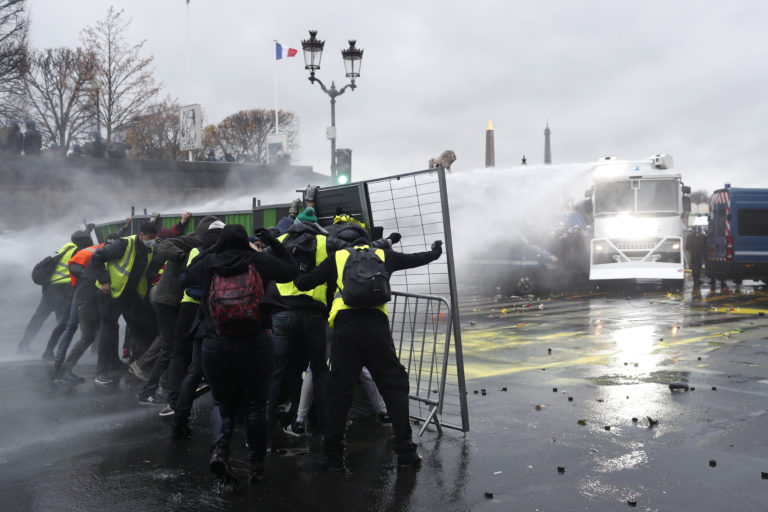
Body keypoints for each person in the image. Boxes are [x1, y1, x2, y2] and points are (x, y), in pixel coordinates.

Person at [294, 233, 443, 471]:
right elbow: (416, 258)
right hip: (377, 328)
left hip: (345, 329)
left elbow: (304, 283)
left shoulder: (338, 257)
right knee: (394, 386)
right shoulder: (384, 255)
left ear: (349, 244)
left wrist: (300, 267)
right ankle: (406, 453)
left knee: (339, 391)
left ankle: (333, 457)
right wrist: (436, 251)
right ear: (368, 243)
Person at [185, 224, 297, 483]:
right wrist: (274, 242)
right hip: (256, 341)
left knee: (222, 403)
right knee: (256, 405)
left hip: (215, 342)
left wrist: (212, 249)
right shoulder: (257, 260)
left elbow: (188, 276)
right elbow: (290, 271)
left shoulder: (209, 263)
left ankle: (220, 450)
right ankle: (256, 464)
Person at [137, 214, 219, 405]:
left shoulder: (204, 242)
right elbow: (164, 245)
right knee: (170, 346)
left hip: (175, 300)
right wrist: (183, 259)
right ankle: (147, 392)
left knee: (176, 346)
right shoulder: (195, 240)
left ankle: (168, 386)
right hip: (168, 299)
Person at [89, 222, 160, 385]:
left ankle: (134, 365)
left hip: (128, 294)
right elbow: (97, 257)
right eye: (150, 238)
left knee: (140, 326)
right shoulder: (123, 244)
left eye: (155, 238)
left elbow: (145, 271)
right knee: (109, 329)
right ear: (141, 235)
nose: (153, 241)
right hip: (109, 293)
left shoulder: (147, 249)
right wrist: (104, 281)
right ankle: (101, 371)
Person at [17, 231, 93, 354]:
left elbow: (78, 242)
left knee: (39, 318)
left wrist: (86, 232)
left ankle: (23, 345)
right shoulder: (80, 252)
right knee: (62, 322)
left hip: (50, 287)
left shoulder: (68, 246)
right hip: (62, 288)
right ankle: (54, 350)